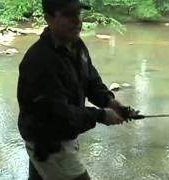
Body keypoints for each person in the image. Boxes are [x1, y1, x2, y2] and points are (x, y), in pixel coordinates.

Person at [17, 0, 132, 179]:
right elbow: (59, 115)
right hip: (49, 143)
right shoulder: (40, 61)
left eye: (78, 14)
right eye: (69, 15)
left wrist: (112, 103)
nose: (77, 20)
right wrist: (101, 115)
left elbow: (91, 81)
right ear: (49, 18)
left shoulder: (77, 45)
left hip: (60, 137)